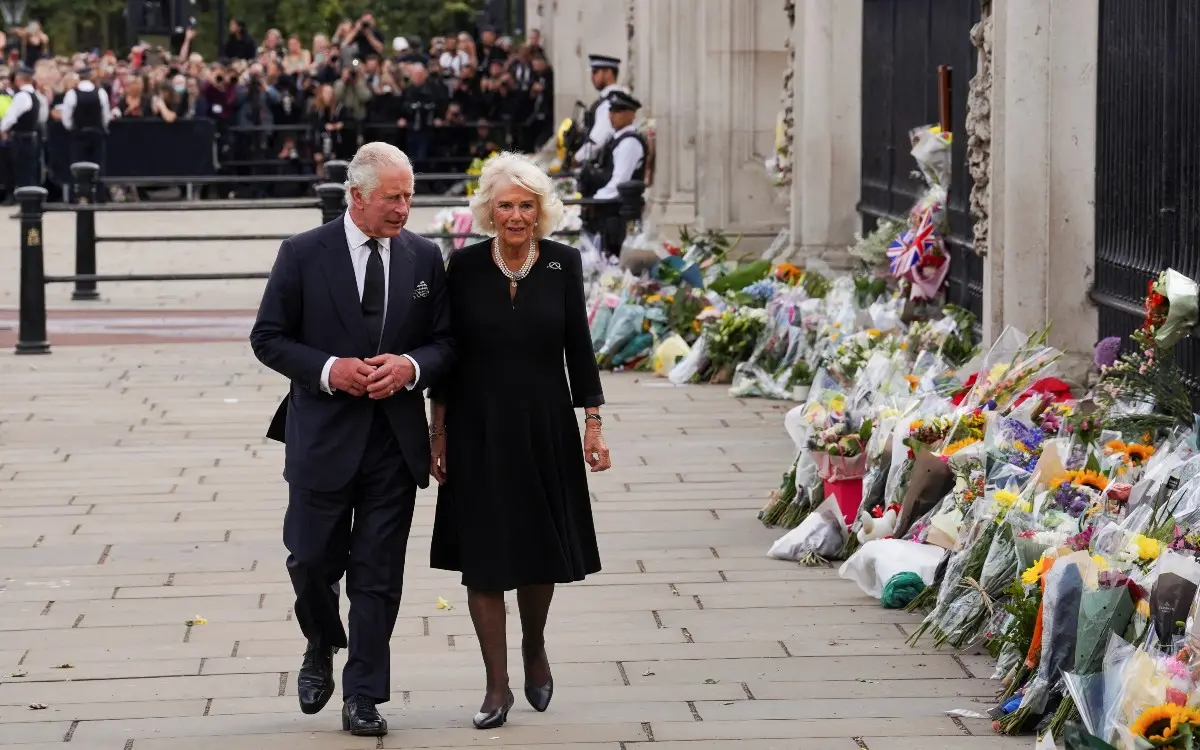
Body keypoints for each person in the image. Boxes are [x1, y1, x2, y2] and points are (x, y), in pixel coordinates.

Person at [249, 141, 453, 738]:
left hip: (395, 442)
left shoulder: (424, 257)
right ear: (357, 196)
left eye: (409, 196)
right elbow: (268, 337)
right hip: (322, 438)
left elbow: (446, 343)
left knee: (377, 574)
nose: (404, 209)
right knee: (310, 561)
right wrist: (329, 369)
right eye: (392, 197)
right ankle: (320, 640)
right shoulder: (302, 253)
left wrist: (410, 368)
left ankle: (364, 694)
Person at [428, 151, 612, 730]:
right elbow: (448, 354)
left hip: (544, 427)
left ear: (540, 210)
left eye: (526, 206)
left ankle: (534, 644)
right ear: (489, 209)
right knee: (483, 559)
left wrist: (593, 422)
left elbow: (578, 347)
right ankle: (496, 684)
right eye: (505, 205)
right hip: (477, 429)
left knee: (537, 552)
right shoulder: (462, 266)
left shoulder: (562, 263)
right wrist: (438, 430)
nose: (515, 216)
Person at [579, 90, 647, 259]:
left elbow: (619, 182)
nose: (612, 115)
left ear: (631, 115)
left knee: (621, 255)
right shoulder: (616, 139)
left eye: (618, 111)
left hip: (623, 214)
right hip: (614, 212)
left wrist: (595, 200)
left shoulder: (629, 142)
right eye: (611, 111)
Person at [570, 54, 623, 165]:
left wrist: (577, 159)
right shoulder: (609, 98)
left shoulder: (610, 102)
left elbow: (597, 140)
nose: (592, 77)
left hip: (604, 164)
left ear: (608, 73)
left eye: (595, 72)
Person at [0, 66, 46, 193]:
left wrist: (2, 129)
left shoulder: (22, 96)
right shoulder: (34, 95)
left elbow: (11, 117)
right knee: (30, 169)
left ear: (19, 80)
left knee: (22, 171)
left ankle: (25, 199)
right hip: (32, 137)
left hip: (21, 138)